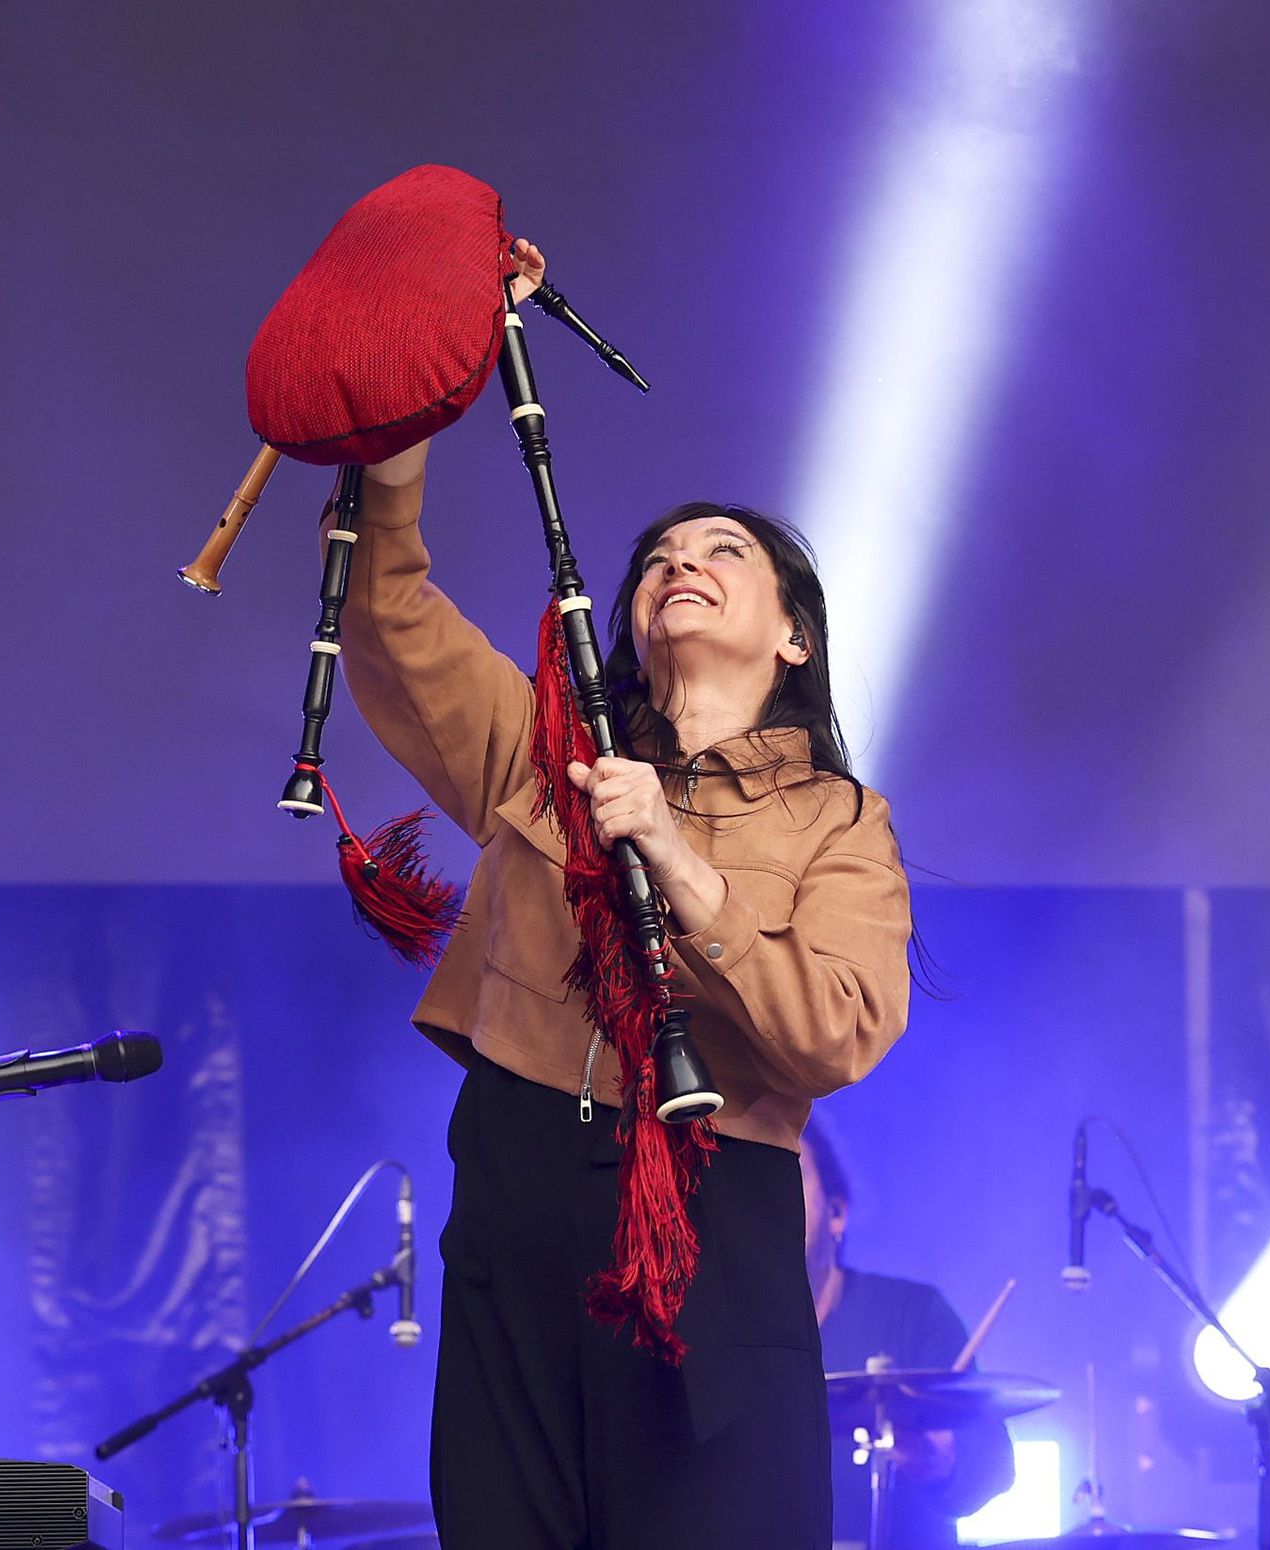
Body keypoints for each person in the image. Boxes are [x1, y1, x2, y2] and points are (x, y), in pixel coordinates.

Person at [340, 240, 916, 1549]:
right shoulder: (552, 755)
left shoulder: (841, 819)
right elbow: (396, 621)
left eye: (723, 550)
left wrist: (679, 857)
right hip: (522, 1183)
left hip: (713, 1218)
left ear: (795, 635)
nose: (678, 561)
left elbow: (837, 1029)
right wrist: (419, 401)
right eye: (657, 555)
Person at [800, 1122, 1013, 1549]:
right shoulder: (723, 1333)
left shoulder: (915, 1314)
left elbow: (992, 1465)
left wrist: (943, 1462)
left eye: (788, 1177)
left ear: (837, 1212)